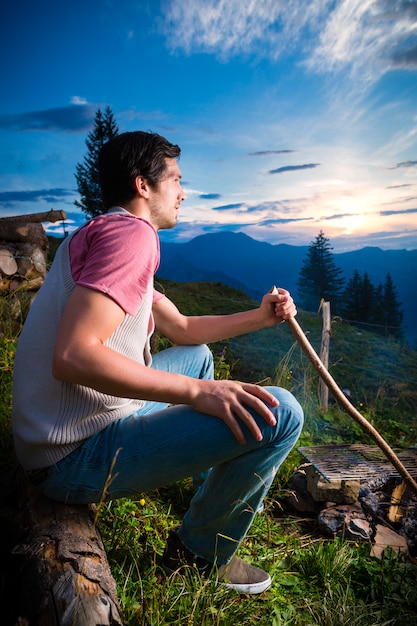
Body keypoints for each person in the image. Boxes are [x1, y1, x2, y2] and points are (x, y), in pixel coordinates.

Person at [12, 131, 304, 595]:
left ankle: (211, 490)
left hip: (58, 431)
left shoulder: (96, 233)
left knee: (197, 356)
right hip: (71, 454)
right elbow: (73, 355)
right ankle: (198, 551)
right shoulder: (133, 235)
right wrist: (198, 392)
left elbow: (183, 329)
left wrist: (259, 316)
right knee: (282, 412)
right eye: (176, 180)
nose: (183, 192)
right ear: (142, 186)